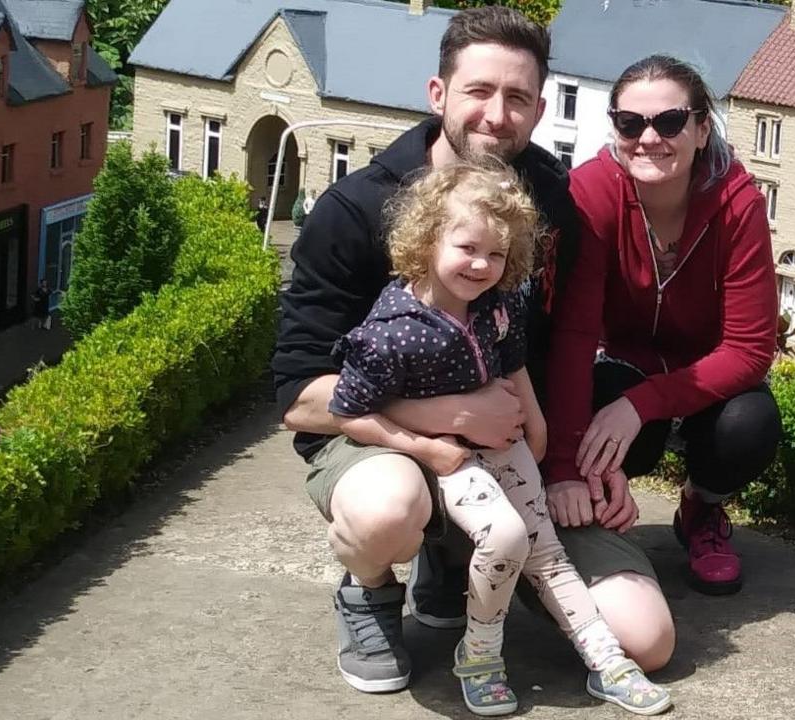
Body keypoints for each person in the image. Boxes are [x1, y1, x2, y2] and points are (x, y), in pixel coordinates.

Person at [271, 6, 675, 699]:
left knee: (647, 638)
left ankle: (457, 558)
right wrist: (455, 416)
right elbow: (301, 399)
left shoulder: (549, 202)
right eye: (479, 91)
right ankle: (370, 588)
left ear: (539, 109)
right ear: (439, 95)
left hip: (509, 448)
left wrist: (575, 461)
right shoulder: (354, 212)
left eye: (517, 98)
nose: (497, 114)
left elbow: (563, 347)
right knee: (387, 509)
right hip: (380, 445)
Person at [329, 162, 670, 716]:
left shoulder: (498, 303)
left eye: (497, 254)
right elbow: (350, 413)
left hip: (507, 443)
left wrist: (536, 423)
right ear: (426, 237)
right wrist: (427, 449)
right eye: (467, 248)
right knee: (507, 537)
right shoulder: (391, 330)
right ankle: (480, 655)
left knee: (548, 552)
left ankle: (607, 659)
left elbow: (512, 365)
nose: (482, 265)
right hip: (452, 456)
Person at [545, 55, 783, 596]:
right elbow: (574, 335)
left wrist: (644, 403)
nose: (649, 138)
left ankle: (702, 509)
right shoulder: (593, 193)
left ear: (702, 129)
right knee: (603, 416)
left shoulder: (737, 202)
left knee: (749, 424)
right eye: (630, 123)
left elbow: (750, 349)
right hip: (625, 364)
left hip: (709, 375)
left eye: (670, 122)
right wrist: (563, 463)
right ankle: (608, 510)